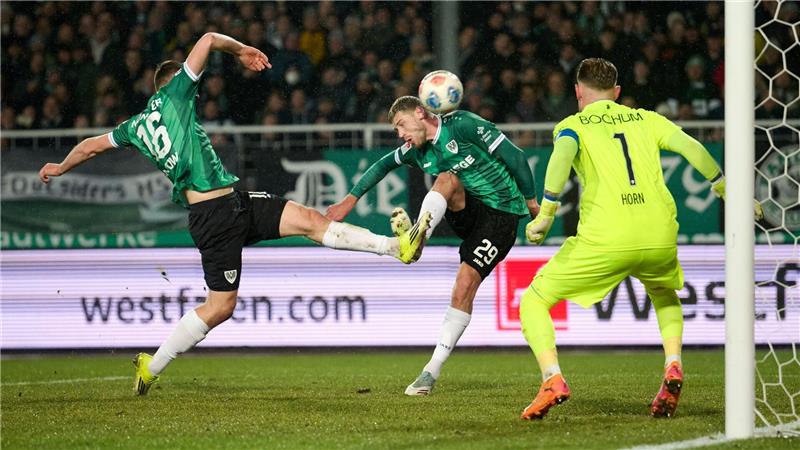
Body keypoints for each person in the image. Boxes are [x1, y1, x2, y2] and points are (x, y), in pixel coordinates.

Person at [38, 32, 431, 396]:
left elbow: (91, 145)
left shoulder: (135, 126)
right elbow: (208, 38)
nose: (196, 86)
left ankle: (398, 248)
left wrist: (59, 166)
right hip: (213, 217)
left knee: (310, 220)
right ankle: (151, 366)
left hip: (234, 203)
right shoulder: (176, 92)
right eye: (191, 81)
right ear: (174, 82)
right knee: (221, 307)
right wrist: (241, 50)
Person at [518, 58, 763, 420]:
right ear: (616, 93)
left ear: (577, 92)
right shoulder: (647, 118)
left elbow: (562, 155)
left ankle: (552, 378)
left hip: (607, 237)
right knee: (663, 293)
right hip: (658, 233)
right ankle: (673, 364)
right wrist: (727, 189)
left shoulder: (573, 124)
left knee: (534, 300)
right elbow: (692, 147)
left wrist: (547, 214)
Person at [326, 96, 539, 395]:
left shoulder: (464, 125)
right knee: (447, 177)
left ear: (419, 113)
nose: (400, 134)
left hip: (502, 217)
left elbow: (515, 156)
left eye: (401, 125)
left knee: (464, 285)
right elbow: (382, 165)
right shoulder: (417, 150)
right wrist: (350, 200)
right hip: (469, 212)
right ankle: (416, 241)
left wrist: (532, 205)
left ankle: (430, 372)